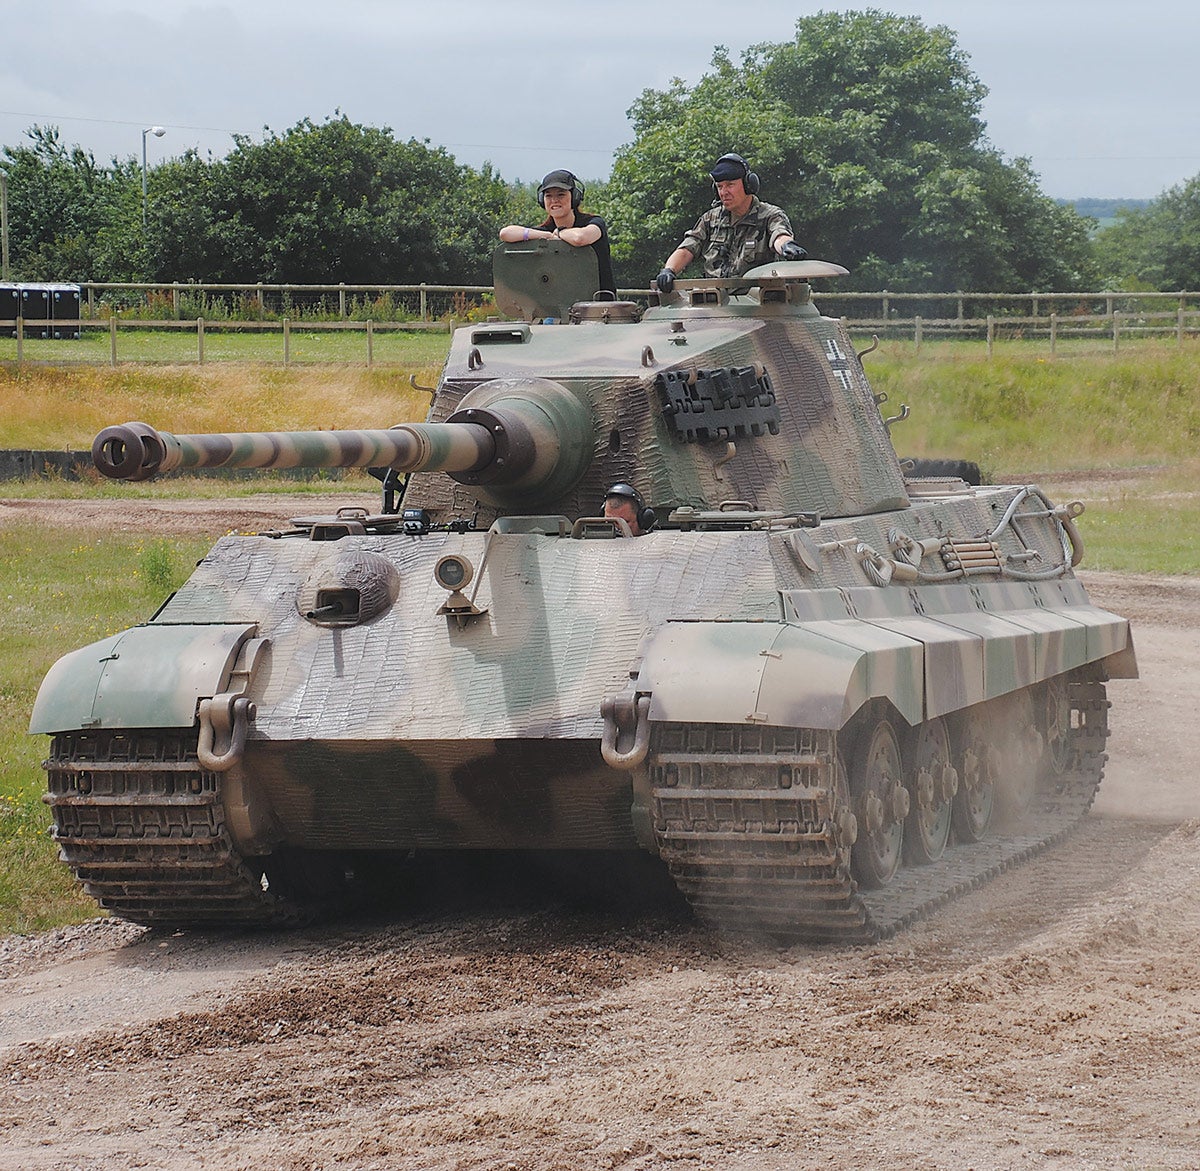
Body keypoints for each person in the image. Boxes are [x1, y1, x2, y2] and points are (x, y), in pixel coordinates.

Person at [655, 154, 806, 294]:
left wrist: (787, 246)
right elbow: (688, 248)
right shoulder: (710, 219)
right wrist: (669, 270)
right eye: (720, 186)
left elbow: (779, 235)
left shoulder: (769, 215)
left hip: (757, 304)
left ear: (748, 185)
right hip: (714, 302)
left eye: (730, 185)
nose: (724, 192)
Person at [499, 169, 616, 294]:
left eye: (561, 194)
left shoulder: (594, 222)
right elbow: (505, 234)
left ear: (575, 197)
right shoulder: (546, 231)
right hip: (556, 307)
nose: (554, 200)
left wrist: (559, 233)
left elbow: (580, 238)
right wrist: (547, 235)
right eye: (548, 195)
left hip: (599, 307)